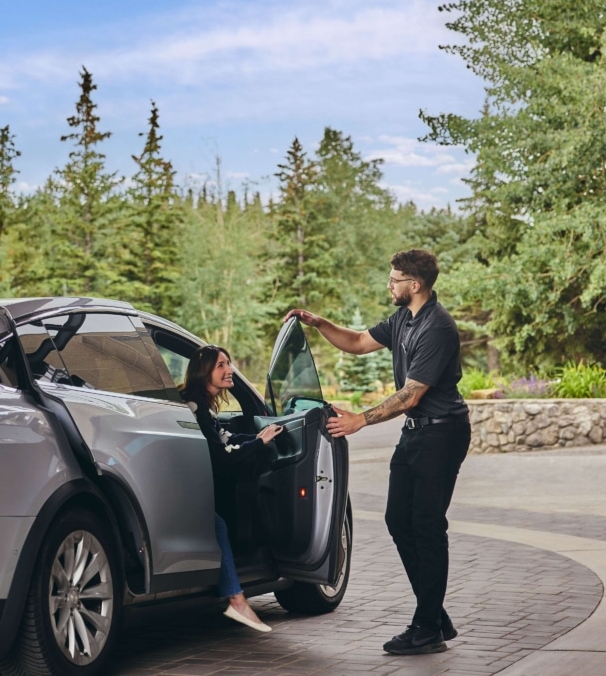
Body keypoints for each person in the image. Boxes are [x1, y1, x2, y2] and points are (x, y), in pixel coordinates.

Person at [285, 248, 470, 655]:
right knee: (396, 519)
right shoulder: (403, 319)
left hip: (442, 433)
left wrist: (359, 420)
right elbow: (356, 342)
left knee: (426, 525)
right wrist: (319, 324)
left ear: (415, 285)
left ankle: (426, 626)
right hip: (417, 434)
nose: (389, 284)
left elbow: (411, 395)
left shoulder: (437, 327)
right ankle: (434, 614)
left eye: (394, 279)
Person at [180, 344, 285, 633]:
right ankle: (237, 600)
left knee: (221, 524)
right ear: (204, 373)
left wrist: (257, 436)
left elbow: (223, 437)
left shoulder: (201, 405)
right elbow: (222, 458)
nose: (230, 370)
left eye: (229, 363)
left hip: (191, 485)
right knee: (219, 526)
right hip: (184, 490)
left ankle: (236, 598)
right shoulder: (196, 407)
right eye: (221, 365)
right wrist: (258, 443)